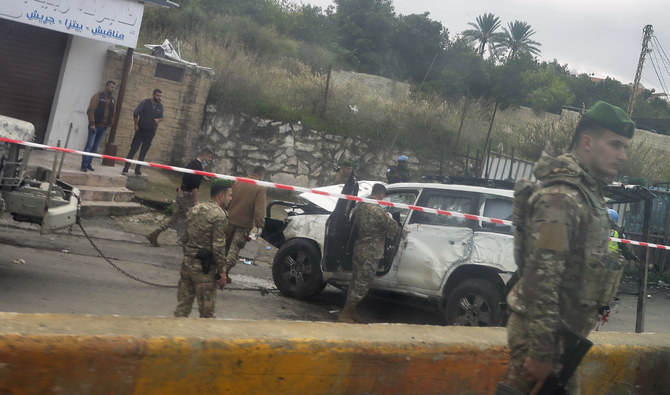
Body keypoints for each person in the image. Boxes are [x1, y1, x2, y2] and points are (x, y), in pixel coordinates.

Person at [496, 101, 635, 395]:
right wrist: (541, 352)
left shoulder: (588, 193)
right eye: (615, 145)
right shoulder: (562, 196)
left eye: (625, 147)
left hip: (563, 336)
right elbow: (541, 278)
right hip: (542, 335)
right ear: (587, 142)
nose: (622, 155)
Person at [339, 183, 402, 323]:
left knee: (356, 281)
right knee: (362, 284)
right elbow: (394, 230)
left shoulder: (360, 208)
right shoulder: (379, 212)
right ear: (381, 195)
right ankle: (345, 313)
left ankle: (351, 311)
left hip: (359, 248)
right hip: (371, 253)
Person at [174, 178, 233, 319]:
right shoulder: (219, 215)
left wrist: (189, 256)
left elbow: (184, 238)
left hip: (187, 265)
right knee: (207, 314)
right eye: (230, 195)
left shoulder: (194, 210)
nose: (231, 199)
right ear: (221, 195)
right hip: (204, 271)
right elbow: (218, 246)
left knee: (182, 308)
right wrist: (222, 272)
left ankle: (174, 338)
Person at [147, 148, 214, 247]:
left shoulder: (192, 163)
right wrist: (196, 201)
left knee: (175, 218)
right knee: (193, 219)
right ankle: (188, 241)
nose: (210, 159)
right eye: (209, 157)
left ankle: (155, 233)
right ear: (204, 154)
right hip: (187, 195)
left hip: (182, 192)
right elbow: (195, 186)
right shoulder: (197, 166)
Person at [224, 165, 266, 281]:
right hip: (244, 224)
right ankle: (223, 274)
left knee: (224, 247)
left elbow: (229, 198)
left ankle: (216, 270)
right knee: (234, 250)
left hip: (229, 218)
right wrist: (260, 225)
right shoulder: (260, 188)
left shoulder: (238, 181)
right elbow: (259, 209)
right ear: (262, 174)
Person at [122, 89, 164, 176]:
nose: (159, 98)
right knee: (133, 149)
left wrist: (158, 120)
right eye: (157, 95)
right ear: (153, 95)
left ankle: (138, 169)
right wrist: (136, 125)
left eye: (160, 96)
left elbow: (162, 117)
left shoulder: (161, 107)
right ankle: (126, 168)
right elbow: (136, 113)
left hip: (151, 132)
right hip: (141, 129)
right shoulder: (145, 102)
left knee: (143, 151)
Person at [81, 80, 116, 172]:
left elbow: (113, 113)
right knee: (89, 145)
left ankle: (89, 163)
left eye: (114, 87)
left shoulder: (112, 100)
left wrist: (110, 123)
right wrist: (92, 123)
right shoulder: (97, 96)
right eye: (111, 87)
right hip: (95, 126)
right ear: (106, 86)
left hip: (103, 127)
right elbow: (90, 110)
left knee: (95, 147)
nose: (113, 89)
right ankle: (84, 165)